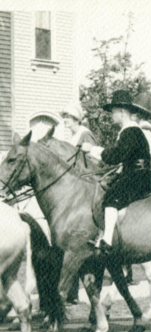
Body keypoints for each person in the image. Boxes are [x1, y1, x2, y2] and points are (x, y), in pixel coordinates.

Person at [81, 90, 151, 253]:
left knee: (111, 198)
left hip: (138, 176)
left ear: (122, 112)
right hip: (136, 174)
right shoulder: (130, 131)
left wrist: (92, 149)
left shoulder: (130, 131)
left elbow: (116, 155)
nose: (111, 115)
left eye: (113, 112)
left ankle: (107, 242)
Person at [60, 102, 98, 303]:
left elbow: (93, 160)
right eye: (65, 117)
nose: (65, 121)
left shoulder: (85, 134)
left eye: (68, 117)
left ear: (76, 119)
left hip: (86, 180)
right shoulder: (73, 136)